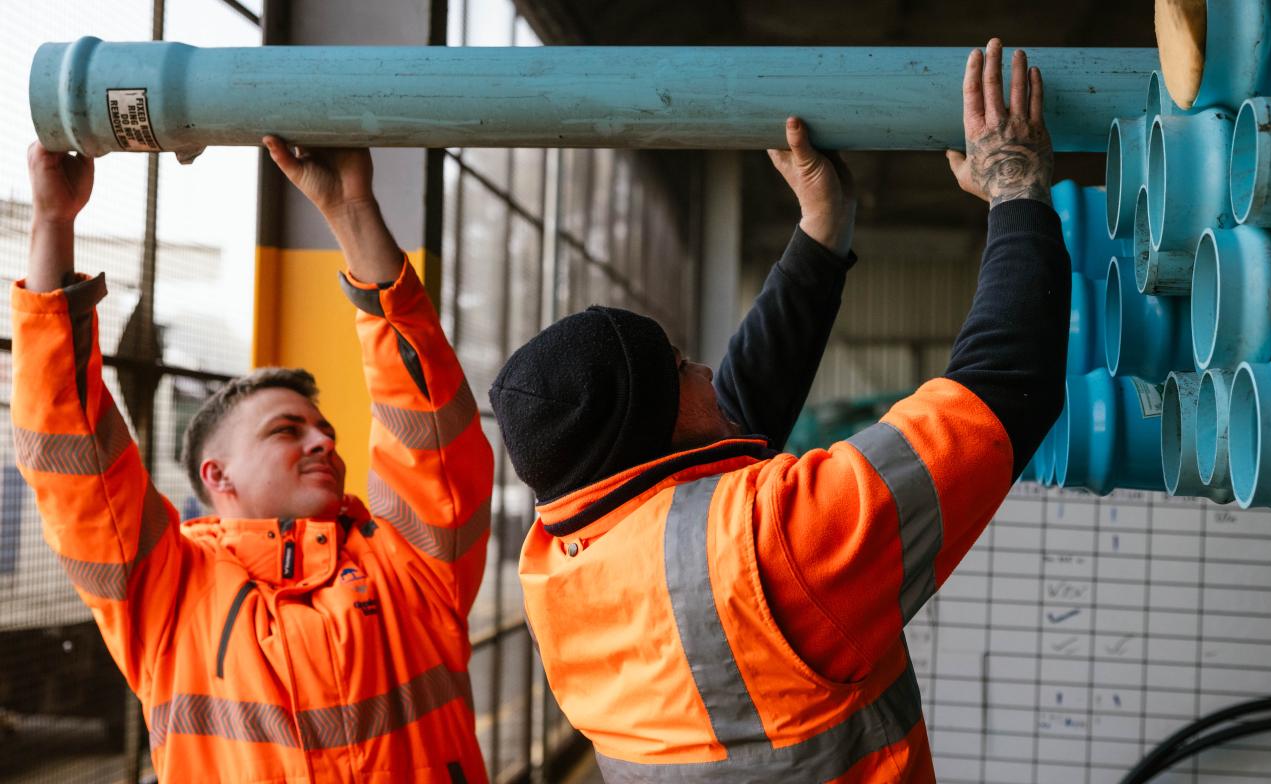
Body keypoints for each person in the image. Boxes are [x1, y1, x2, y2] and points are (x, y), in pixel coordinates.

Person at [492, 39, 1067, 781]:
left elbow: (722, 432)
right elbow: (1005, 391)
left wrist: (821, 230)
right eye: (680, 367)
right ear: (653, 429)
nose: (705, 366)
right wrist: (1014, 182)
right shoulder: (775, 549)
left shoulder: (558, 574)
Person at [14, 138, 493, 782]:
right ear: (218, 475)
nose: (324, 441)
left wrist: (353, 209)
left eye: (324, 429)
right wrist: (52, 224)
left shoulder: (410, 564)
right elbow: (69, 449)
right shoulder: (162, 590)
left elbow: (431, 425)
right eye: (286, 431)